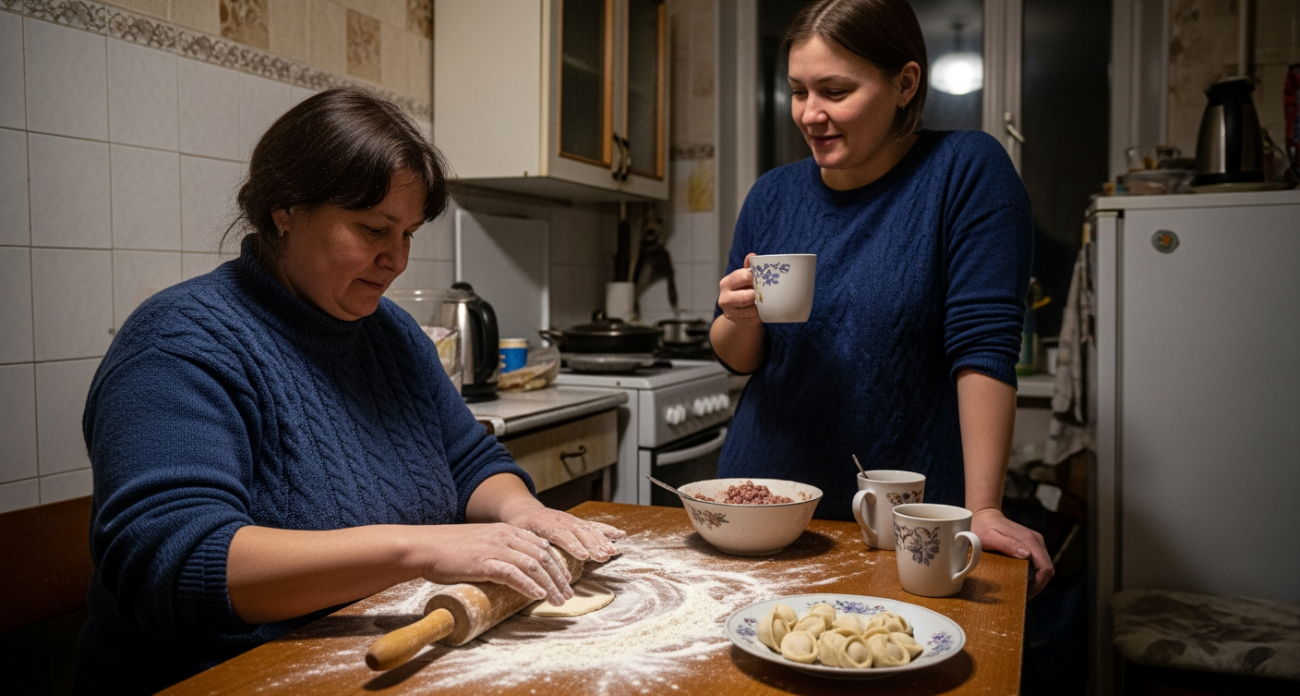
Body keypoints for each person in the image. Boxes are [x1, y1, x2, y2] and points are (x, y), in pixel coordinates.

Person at [74, 88, 623, 694]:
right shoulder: (182, 344)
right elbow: (171, 565)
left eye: (408, 233)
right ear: (284, 209)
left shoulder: (390, 334)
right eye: (372, 229)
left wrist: (524, 514)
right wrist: (422, 550)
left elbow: (469, 460)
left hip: (387, 664)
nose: (396, 259)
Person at [711, 0, 1053, 597]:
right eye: (797, 91)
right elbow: (741, 357)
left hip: (903, 515)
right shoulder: (772, 195)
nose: (810, 114)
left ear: (905, 83)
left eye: (836, 91)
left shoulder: (965, 172)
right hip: (767, 504)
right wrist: (737, 316)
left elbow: (984, 347)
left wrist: (985, 508)